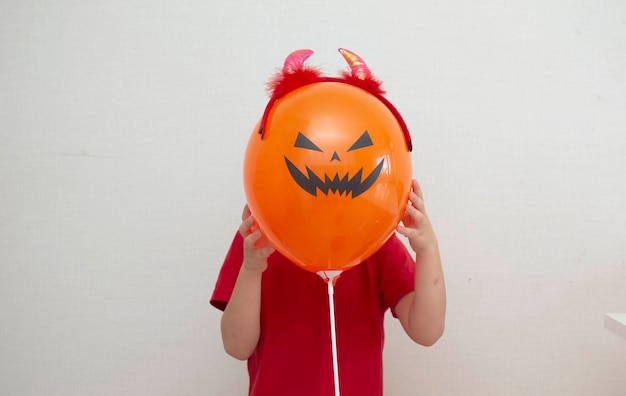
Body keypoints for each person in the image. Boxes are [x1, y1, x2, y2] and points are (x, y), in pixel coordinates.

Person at [211, 178, 446, 396]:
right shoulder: (258, 240)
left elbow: (427, 331)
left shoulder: (375, 241)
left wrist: (428, 250)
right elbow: (236, 346)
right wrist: (251, 269)